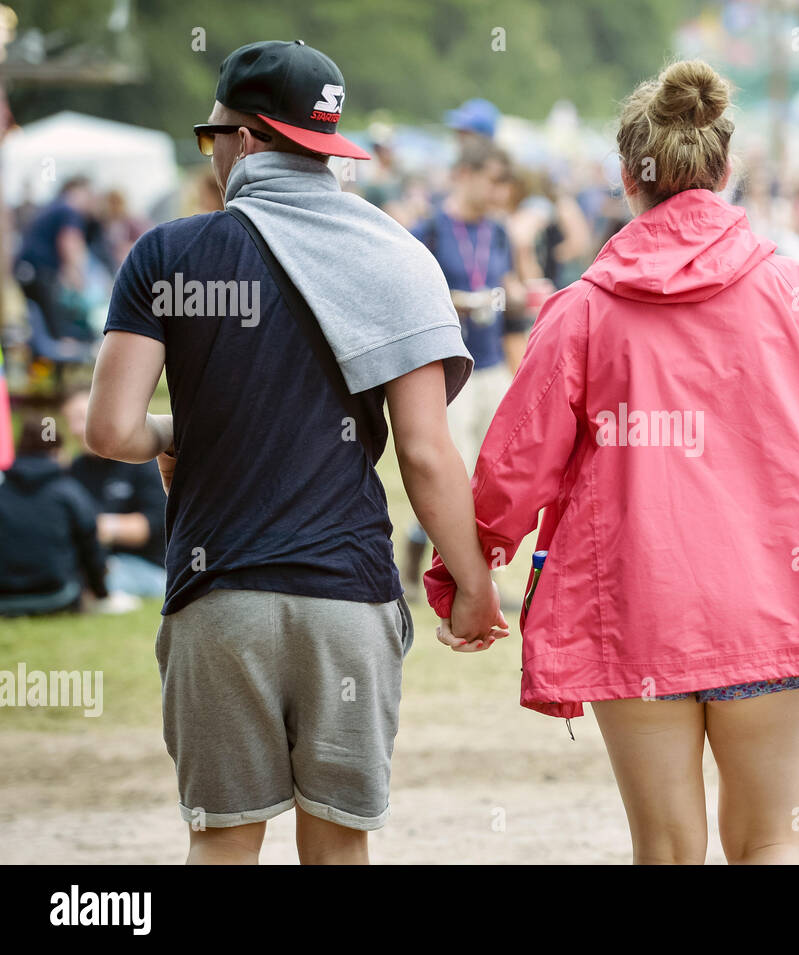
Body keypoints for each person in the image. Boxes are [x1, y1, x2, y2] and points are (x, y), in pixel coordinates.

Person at [423, 60, 799, 865]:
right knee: (770, 841)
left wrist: (461, 584)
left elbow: (514, 469)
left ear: (627, 179)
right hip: (778, 599)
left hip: (637, 607)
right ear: (727, 172)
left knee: (666, 848)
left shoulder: (580, 311)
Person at [83, 39, 504, 865]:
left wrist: (182, 434)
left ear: (245, 141)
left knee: (225, 844)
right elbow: (424, 451)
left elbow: (109, 430)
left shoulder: (167, 254)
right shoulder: (397, 255)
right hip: (346, 597)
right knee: (339, 847)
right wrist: (475, 583)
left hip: (218, 591)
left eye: (213, 140)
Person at [401, 139, 529, 596]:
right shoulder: (429, 230)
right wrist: (457, 302)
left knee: (491, 474)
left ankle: (482, 575)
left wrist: (516, 294)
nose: (501, 191)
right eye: (494, 180)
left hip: (492, 363)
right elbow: (410, 296)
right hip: (450, 367)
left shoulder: (498, 231)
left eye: (505, 182)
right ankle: (422, 557)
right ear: (467, 175)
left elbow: (508, 284)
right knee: (452, 473)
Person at [62, 388, 167, 597]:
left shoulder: (142, 460)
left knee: (92, 580)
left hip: (146, 567)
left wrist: (95, 528)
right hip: (96, 560)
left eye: (81, 418)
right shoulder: (77, 468)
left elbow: (151, 526)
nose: (75, 428)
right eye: (69, 421)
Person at [0, 417, 108, 616]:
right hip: (56, 597)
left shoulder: (3, 489)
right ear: (57, 451)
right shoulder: (68, 491)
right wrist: (101, 593)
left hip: (4, 601)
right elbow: (90, 547)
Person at [14, 176, 97, 344]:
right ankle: (61, 353)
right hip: (41, 272)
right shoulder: (70, 210)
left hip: (26, 271)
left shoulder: (53, 206)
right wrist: (76, 274)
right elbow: (68, 241)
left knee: (41, 321)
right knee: (56, 324)